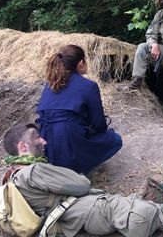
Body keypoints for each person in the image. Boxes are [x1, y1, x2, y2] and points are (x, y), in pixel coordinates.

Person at [0, 123, 163, 236]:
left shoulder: (17, 175)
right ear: (22, 148)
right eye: (37, 139)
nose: (43, 141)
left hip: (93, 207)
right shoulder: (33, 172)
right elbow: (80, 184)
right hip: (88, 214)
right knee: (150, 211)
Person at [36, 44, 122, 175]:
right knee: (116, 140)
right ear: (81, 63)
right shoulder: (89, 86)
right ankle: (78, 172)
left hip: (46, 148)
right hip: (70, 142)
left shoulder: (49, 84)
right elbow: (99, 125)